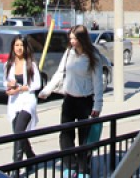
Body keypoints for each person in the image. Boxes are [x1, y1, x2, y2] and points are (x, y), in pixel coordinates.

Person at [39, 25, 103, 176]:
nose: (72, 41)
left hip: (85, 101)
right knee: (65, 135)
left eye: (75, 38)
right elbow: (60, 73)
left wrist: (98, 104)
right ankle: (71, 166)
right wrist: (47, 91)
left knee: (84, 137)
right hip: (69, 99)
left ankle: (83, 168)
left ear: (82, 39)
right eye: (70, 39)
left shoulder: (93, 56)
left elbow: (98, 81)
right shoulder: (69, 53)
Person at [3, 35, 40, 175]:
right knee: (19, 133)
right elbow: (4, 82)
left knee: (18, 132)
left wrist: (21, 88)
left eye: (21, 45)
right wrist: (9, 86)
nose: (19, 48)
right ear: (13, 47)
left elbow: (37, 84)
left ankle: (15, 168)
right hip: (14, 102)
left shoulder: (31, 64)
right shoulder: (8, 64)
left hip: (27, 100)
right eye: (17, 45)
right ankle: (31, 158)